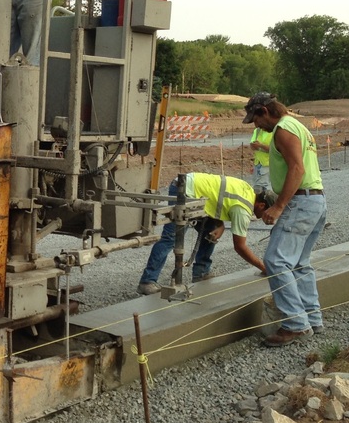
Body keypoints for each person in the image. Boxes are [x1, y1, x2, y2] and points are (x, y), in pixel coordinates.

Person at [243, 92, 327, 347]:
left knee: (276, 261)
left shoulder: (283, 129)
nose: (256, 126)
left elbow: (297, 169)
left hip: (300, 202)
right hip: (315, 200)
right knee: (300, 263)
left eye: (256, 119)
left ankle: (295, 324)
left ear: (265, 112)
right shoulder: (298, 127)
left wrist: (279, 206)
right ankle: (312, 318)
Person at [137, 172, 269, 295]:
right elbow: (240, 246)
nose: (268, 217)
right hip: (185, 190)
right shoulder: (243, 209)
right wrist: (263, 267)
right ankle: (147, 281)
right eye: (268, 212)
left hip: (195, 188)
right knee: (171, 238)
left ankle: (201, 273)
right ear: (262, 205)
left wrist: (220, 225)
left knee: (210, 232)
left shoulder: (247, 190)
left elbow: (218, 198)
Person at [249, 126, 273, 191]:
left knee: (263, 187)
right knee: (256, 187)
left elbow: (274, 150)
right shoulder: (257, 131)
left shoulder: (274, 132)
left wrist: (260, 145)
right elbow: (252, 146)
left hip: (268, 164)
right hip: (257, 163)